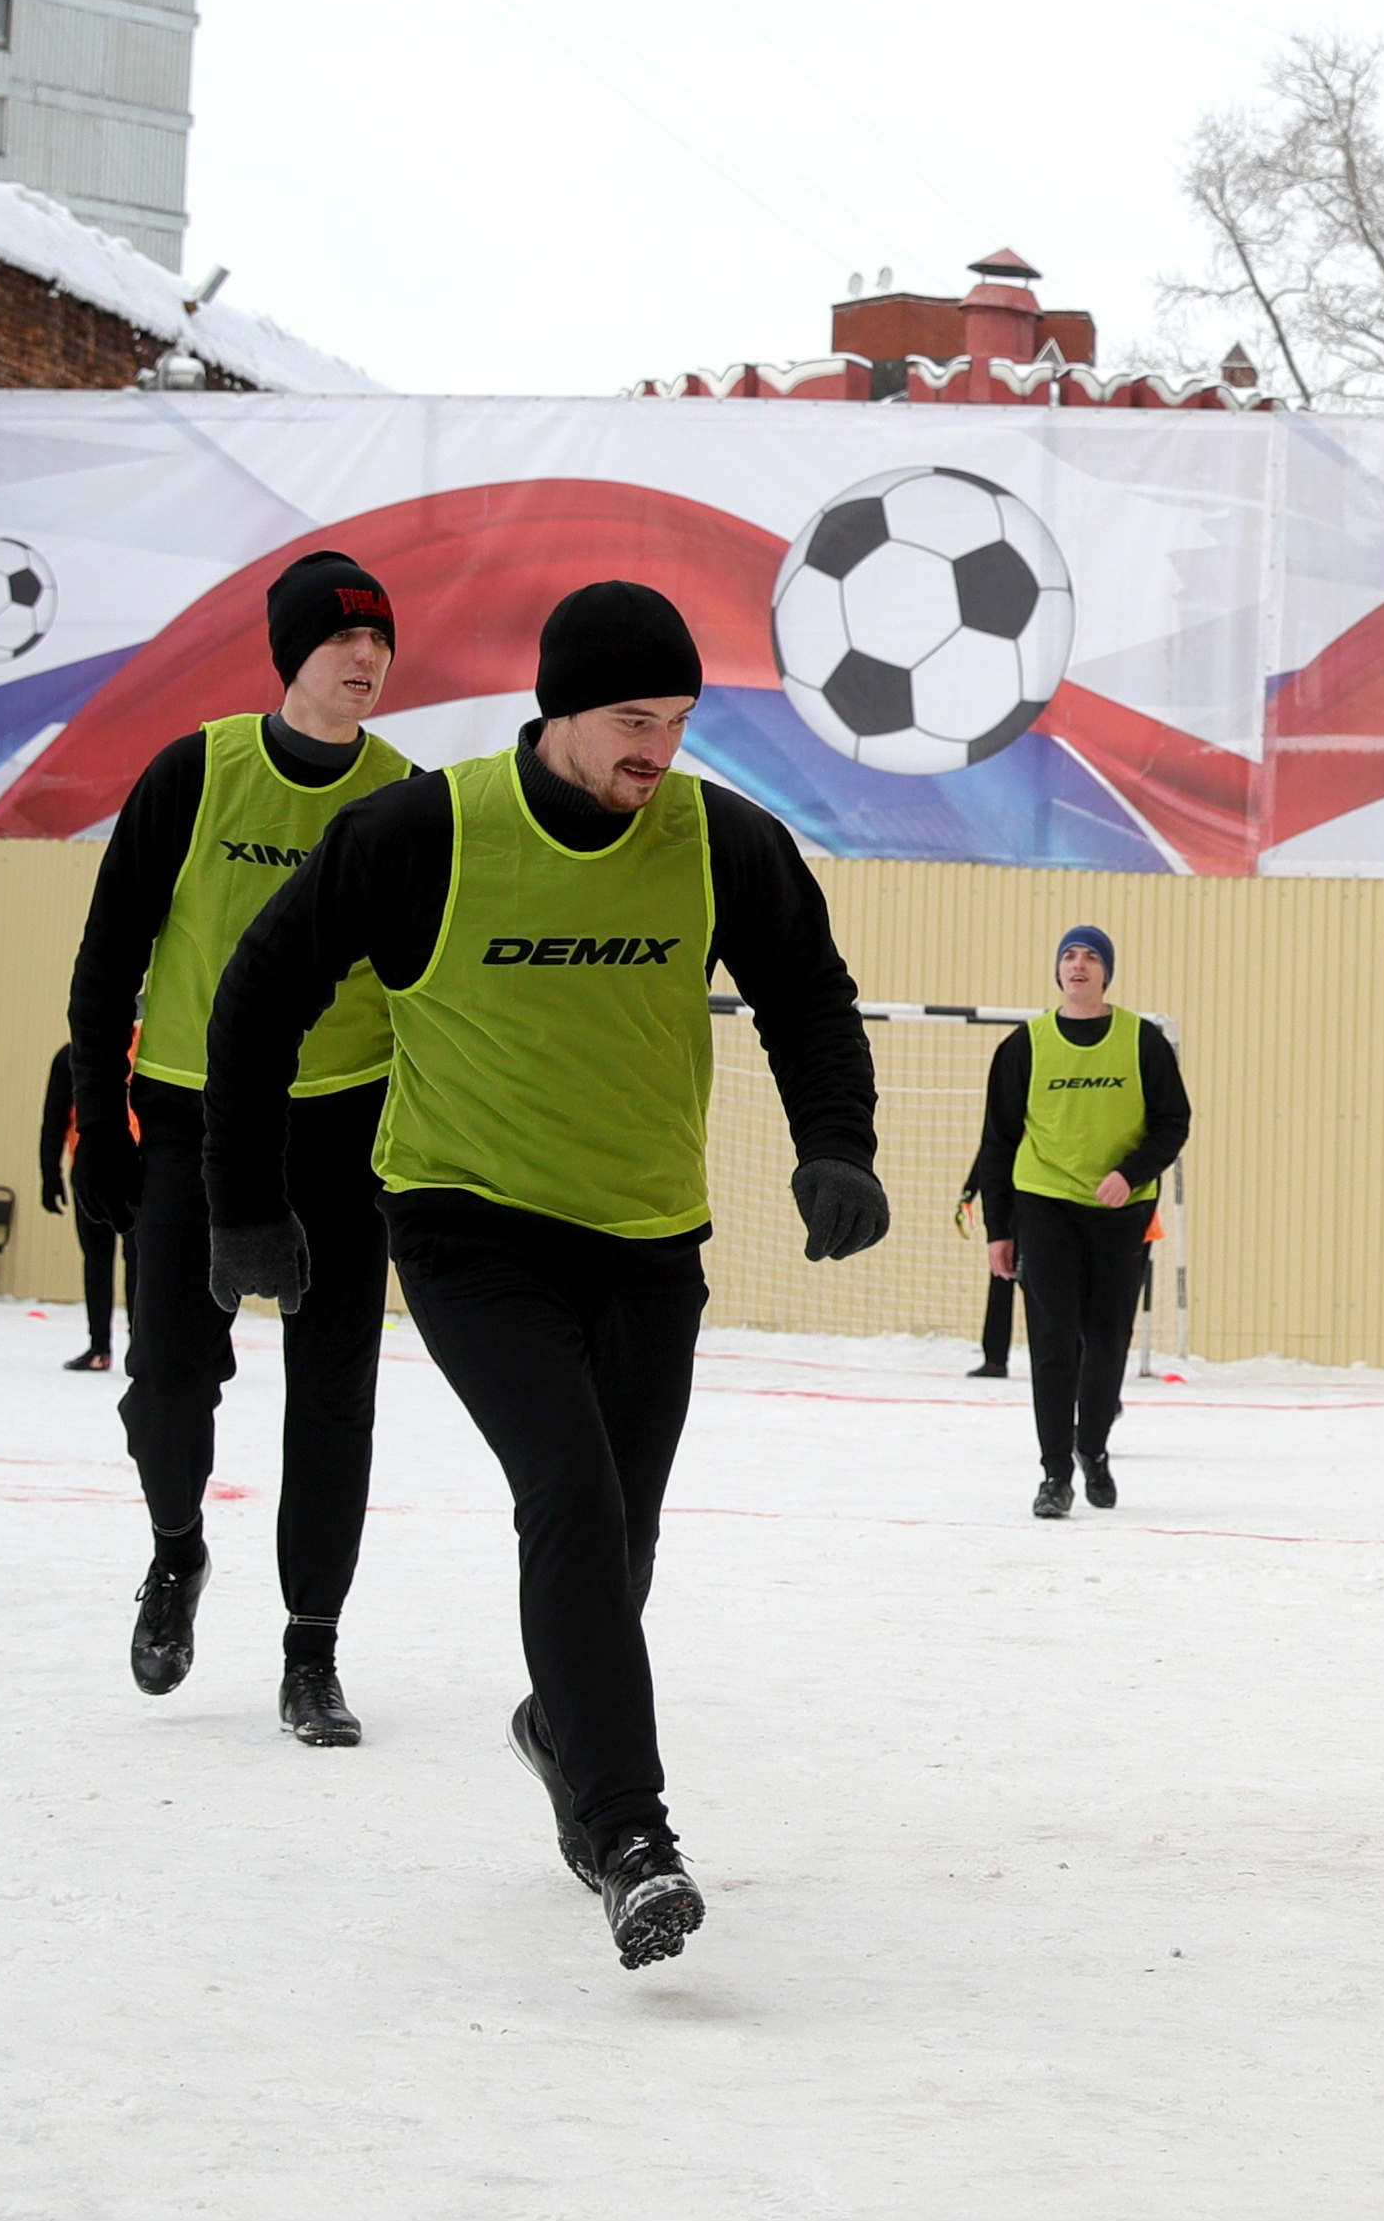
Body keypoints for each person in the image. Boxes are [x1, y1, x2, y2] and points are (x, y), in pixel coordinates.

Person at [200, 580, 885, 1970]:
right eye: (634, 721)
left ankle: (560, 1725)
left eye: (680, 723)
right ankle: (631, 1836)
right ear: (559, 711)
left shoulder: (716, 839)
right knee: (567, 1493)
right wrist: (244, 1208)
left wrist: (837, 1146)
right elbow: (259, 992)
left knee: (616, 1538)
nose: (658, 750)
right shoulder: (427, 832)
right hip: (468, 1225)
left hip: (646, 1239)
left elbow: (808, 989)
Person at [64, 550, 412, 1747]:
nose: (366, 658)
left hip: (343, 1121)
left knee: (334, 1401)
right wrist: (99, 1120)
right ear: (292, 653)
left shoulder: (406, 797)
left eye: (382, 641)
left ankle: (311, 1652)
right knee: (169, 1379)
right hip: (190, 1117)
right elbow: (110, 954)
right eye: (343, 639)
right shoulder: (195, 773)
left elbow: (436, 987)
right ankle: (176, 1554)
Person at [971, 925, 1191, 1519]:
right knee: (1051, 1341)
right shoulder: (1026, 1044)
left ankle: (1092, 1446)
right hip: (1044, 1203)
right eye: (1069, 954)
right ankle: (1054, 1474)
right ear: (1058, 971)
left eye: (1091, 956)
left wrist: (1132, 1171)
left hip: (1121, 1208)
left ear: (1106, 973)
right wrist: (999, 1228)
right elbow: (998, 1141)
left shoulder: (1142, 1041)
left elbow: (1173, 1121)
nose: (1079, 963)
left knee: (1107, 1337)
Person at [38, 1041, 136, 1373]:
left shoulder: (146, 1051)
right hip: (91, 1170)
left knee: (138, 1262)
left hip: (140, 1170)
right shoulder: (71, 1055)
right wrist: (49, 1174)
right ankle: (99, 1346)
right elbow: (54, 1116)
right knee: (98, 1257)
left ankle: (139, 1344)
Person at [956, 1175, 1015, 1377]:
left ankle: (1073, 1360)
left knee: (1043, 1292)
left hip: (1036, 1206)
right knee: (1000, 1280)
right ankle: (995, 1360)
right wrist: (968, 1194)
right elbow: (988, 1153)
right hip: (1005, 1208)